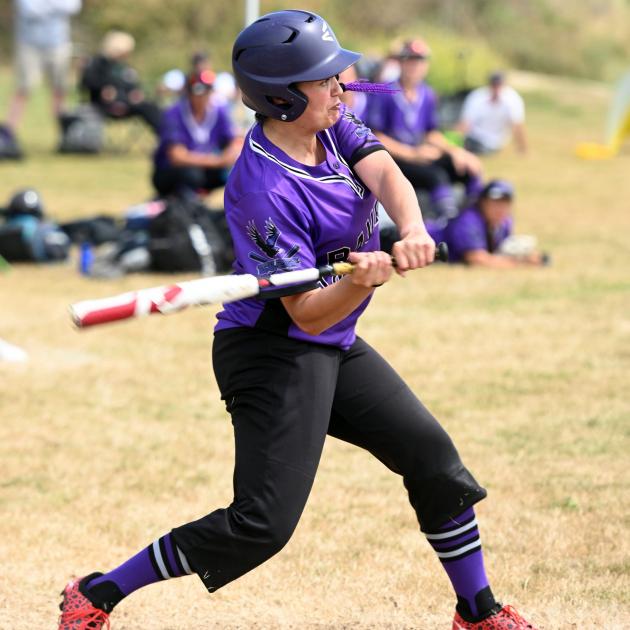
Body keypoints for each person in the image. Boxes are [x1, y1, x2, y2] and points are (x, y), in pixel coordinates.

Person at [56, 11, 537, 630]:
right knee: (261, 525)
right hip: (271, 351)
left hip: (330, 341)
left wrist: (412, 228)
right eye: (325, 79)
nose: (343, 86)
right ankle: (96, 593)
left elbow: (385, 170)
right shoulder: (262, 189)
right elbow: (306, 313)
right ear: (281, 98)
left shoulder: (332, 124)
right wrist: (363, 278)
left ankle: (478, 613)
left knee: (433, 459)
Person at [365, 38, 483, 224]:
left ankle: (475, 220)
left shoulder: (427, 94)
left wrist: (456, 151)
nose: (414, 66)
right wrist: (412, 153)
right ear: (401, 63)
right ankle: (446, 224)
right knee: (435, 176)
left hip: (420, 154)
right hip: (396, 158)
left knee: (468, 169)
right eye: (409, 60)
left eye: (419, 61)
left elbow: (431, 133)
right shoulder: (384, 91)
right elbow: (375, 135)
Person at [151, 70, 242, 199]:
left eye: (207, 92)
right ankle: (180, 201)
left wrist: (231, 152)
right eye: (199, 93)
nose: (203, 98)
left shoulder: (218, 111)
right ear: (188, 93)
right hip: (170, 172)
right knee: (192, 174)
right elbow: (177, 157)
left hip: (204, 167)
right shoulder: (174, 114)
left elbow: (234, 139)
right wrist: (218, 160)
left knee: (234, 174)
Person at [427, 179, 546, 267]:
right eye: (495, 203)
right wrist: (523, 263)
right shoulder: (468, 221)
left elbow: (497, 250)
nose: (500, 208)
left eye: (505, 203)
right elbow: (477, 259)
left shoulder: (504, 222)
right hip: (424, 240)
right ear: (482, 202)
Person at [6, 0, 82, 133]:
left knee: (60, 89)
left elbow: (72, 6)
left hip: (58, 43)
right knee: (23, 89)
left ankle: (64, 134)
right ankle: (8, 135)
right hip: (29, 44)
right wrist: (55, 6)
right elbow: (30, 10)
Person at [79, 30, 162, 135]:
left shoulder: (123, 66)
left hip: (126, 102)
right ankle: (168, 137)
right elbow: (86, 83)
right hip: (103, 106)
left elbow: (131, 83)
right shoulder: (97, 63)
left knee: (150, 106)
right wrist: (102, 89)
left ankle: (167, 134)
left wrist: (135, 92)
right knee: (148, 108)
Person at [455, 72, 527, 155]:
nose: (496, 88)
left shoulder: (513, 99)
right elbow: (465, 123)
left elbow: (517, 125)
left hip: (493, 142)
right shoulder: (477, 96)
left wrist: (522, 148)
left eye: (499, 84)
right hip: (472, 137)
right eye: (494, 84)